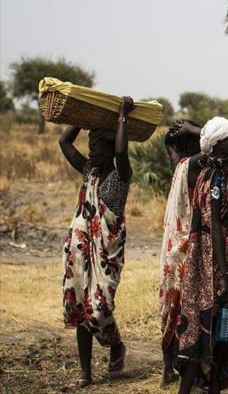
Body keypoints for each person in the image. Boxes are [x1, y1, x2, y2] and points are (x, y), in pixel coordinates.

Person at [60, 97, 135, 388]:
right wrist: (82, 115)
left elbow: (120, 150)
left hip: (106, 255)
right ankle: (86, 374)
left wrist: (122, 116)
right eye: (91, 145)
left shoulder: (120, 177)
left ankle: (115, 345)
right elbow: (64, 143)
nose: (93, 150)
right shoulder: (89, 172)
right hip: (79, 253)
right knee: (80, 308)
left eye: (99, 145)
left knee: (99, 308)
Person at [177, 117, 228, 394]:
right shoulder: (217, 175)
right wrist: (225, 272)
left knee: (215, 330)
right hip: (217, 263)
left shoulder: (211, 173)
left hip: (209, 260)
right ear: (218, 145)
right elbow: (214, 224)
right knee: (213, 331)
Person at [159, 119, 202, 387]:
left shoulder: (178, 164)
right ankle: (186, 364)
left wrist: (174, 134)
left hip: (171, 249)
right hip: (187, 247)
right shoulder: (193, 164)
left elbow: (169, 145)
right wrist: (194, 130)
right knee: (187, 308)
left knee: (170, 308)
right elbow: (213, 141)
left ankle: (168, 367)